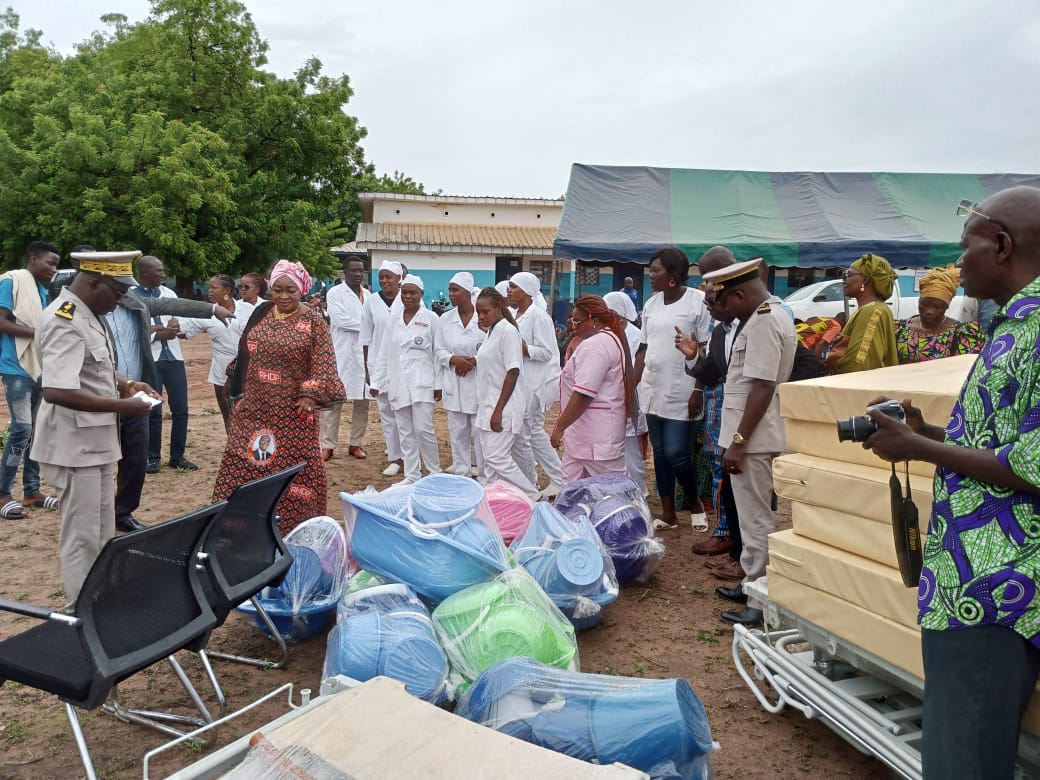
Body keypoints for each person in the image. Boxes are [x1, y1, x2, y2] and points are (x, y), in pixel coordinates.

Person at [862, 186, 1040, 779]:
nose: (957, 260)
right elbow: (1003, 440)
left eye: (967, 245)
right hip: (967, 575)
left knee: (962, 763)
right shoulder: (1016, 325)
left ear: (1004, 245)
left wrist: (916, 447)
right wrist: (929, 431)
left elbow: (1033, 465)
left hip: (995, 589)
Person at [30, 252, 160, 607]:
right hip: (75, 444)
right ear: (92, 283)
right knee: (82, 534)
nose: (120, 301)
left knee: (103, 528)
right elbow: (57, 390)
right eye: (117, 293)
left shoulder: (89, 313)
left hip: (97, 439)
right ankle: (82, 611)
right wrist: (125, 406)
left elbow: (96, 368)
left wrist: (127, 385)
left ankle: (102, 598)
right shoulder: (64, 319)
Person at [213, 260, 345, 536]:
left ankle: (295, 527)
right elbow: (246, 353)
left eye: (290, 291)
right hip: (255, 409)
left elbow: (324, 363)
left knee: (297, 472)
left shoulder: (313, 323)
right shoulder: (261, 314)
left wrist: (311, 393)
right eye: (277, 290)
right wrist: (234, 381)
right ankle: (237, 527)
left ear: (302, 291)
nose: (283, 296)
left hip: (293, 414)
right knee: (243, 464)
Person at [107, 255, 230, 531]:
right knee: (104, 459)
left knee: (135, 460)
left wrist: (213, 310)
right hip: (104, 394)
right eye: (117, 287)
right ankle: (98, 512)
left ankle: (123, 512)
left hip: (136, 389)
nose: (122, 292)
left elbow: (172, 305)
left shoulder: (135, 302)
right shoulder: (86, 313)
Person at [704, 258, 796, 627]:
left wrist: (738, 442)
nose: (723, 309)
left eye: (726, 302)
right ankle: (751, 583)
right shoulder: (758, 317)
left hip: (753, 439)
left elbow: (762, 386)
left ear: (741, 294)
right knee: (750, 516)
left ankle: (761, 600)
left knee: (757, 520)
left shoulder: (763, 322)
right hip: (750, 435)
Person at [634, 247, 712, 530]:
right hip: (652, 388)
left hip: (683, 389)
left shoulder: (698, 302)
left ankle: (694, 503)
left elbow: (704, 348)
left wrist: (698, 390)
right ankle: (668, 514)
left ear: (673, 275)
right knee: (661, 452)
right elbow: (643, 348)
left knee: (678, 452)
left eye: (656, 270)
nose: (650, 275)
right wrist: (633, 383)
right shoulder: (652, 304)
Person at [676, 247, 739, 562]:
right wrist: (693, 357)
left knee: (738, 474)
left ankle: (735, 543)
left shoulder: (761, 318)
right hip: (720, 410)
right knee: (720, 469)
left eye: (712, 296)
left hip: (744, 415)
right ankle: (727, 535)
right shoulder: (722, 328)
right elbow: (713, 369)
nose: (708, 304)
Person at [0, 241, 61, 519]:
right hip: (15, 367)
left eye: (56, 264)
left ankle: (32, 492)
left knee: (37, 430)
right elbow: (1, 322)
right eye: (50, 262)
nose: (54, 269)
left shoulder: (41, 291)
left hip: (38, 367)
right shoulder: (12, 281)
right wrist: (38, 333)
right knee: (22, 428)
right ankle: (2, 493)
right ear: (33, 259)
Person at [550, 295, 633, 482]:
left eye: (577, 320)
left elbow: (583, 394)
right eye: (571, 320)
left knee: (613, 495)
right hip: (585, 436)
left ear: (594, 320)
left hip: (596, 438)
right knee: (572, 492)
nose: (573, 325)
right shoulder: (602, 340)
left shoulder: (596, 345)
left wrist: (559, 427)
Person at [371, 274, 441, 485]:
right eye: (405, 292)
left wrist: (438, 385)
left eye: (413, 292)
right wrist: (377, 381)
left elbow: (438, 354)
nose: (408, 296)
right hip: (397, 382)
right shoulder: (393, 320)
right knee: (405, 431)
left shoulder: (431, 319)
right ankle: (412, 474)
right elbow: (384, 351)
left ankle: (434, 472)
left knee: (423, 429)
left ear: (421, 294)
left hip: (423, 383)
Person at [474, 286, 538, 498]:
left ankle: (533, 495)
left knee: (496, 457)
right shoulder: (493, 331)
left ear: (499, 307)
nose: (481, 316)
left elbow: (513, 372)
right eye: (478, 312)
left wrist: (498, 410)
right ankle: (495, 501)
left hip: (504, 405)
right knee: (490, 464)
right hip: (488, 404)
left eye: (485, 312)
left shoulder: (509, 332)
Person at [137, 255, 199, 473]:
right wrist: (156, 334)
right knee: (153, 410)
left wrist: (174, 327)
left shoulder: (168, 294)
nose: (163, 275)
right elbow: (133, 331)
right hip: (150, 360)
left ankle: (178, 456)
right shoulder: (132, 297)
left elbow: (178, 321)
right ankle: (152, 458)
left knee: (181, 409)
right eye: (159, 271)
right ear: (144, 273)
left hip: (173, 358)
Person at [508, 272, 563, 498]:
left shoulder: (539, 317)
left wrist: (524, 349)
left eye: (514, 287)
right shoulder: (514, 314)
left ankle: (557, 478)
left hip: (536, 383)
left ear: (527, 291)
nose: (509, 290)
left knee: (532, 432)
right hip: (522, 382)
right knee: (524, 433)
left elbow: (548, 352)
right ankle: (530, 480)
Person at [177, 275, 254, 432]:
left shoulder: (248, 310)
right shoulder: (206, 313)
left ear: (227, 290)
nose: (210, 291)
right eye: (209, 287)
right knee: (228, 414)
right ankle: (233, 450)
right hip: (222, 373)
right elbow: (181, 329)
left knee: (250, 414)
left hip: (249, 371)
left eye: (214, 287)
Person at [321, 258, 370, 462]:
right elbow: (341, 321)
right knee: (334, 400)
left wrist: (370, 326)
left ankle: (355, 444)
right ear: (345, 272)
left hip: (364, 354)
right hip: (342, 352)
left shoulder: (368, 295)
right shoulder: (334, 293)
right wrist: (369, 326)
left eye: (360, 271)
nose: (357, 274)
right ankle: (328, 445)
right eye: (353, 271)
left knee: (362, 401)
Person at [437, 272, 485, 477]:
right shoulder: (445, 319)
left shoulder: (483, 317)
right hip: (454, 381)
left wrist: (474, 361)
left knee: (480, 432)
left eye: (455, 290)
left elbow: (494, 347)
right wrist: (453, 359)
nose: (451, 294)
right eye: (450, 290)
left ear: (467, 292)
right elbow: (438, 350)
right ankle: (462, 473)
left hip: (478, 382)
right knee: (457, 432)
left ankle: (484, 474)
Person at [361, 260, 405, 477]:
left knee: (405, 414)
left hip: (403, 366)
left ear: (399, 278)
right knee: (387, 415)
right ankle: (395, 458)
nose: (385, 281)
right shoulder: (371, 302)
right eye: (381, 277)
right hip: (378, 365)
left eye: (389, 277)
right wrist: (369, 371)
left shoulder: (409, 298)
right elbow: (366, 339)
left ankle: (410, 456)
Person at [603, 291, 649, 496]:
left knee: (630, 450)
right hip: (611, 399)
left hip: (630, 398)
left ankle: (639, 491)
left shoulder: (636, 336)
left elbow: (630, 370)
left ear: (619, 316)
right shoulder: (608, 333)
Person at [825, 253, 899, 373]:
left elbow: (859, 362)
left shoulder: (871, 311)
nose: (844, 280)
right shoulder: (873, 309)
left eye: (848, 275)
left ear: (865, 279)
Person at [895, 265, 983, 363]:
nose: (929, 311)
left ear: (946, 307)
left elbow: (964, 368)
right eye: (924, 304)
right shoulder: (900, 329)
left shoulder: (962, 333)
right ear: (919, 301)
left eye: (938, 307)